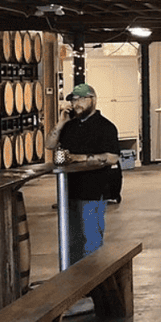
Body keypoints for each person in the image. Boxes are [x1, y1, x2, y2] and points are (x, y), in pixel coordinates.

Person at [44, 83, 120, 265]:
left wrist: (80, 158)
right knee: (72, 243)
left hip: (93, 192)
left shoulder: (106, 127)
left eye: (81, 99)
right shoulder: (69, 126)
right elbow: (49, 144)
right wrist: (61, 123)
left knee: (92, 243)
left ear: (92, 100)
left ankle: (96, 287)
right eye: (74, 99)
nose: (76, 103)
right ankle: (76, 286)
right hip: (69, 192)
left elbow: (112, 158)